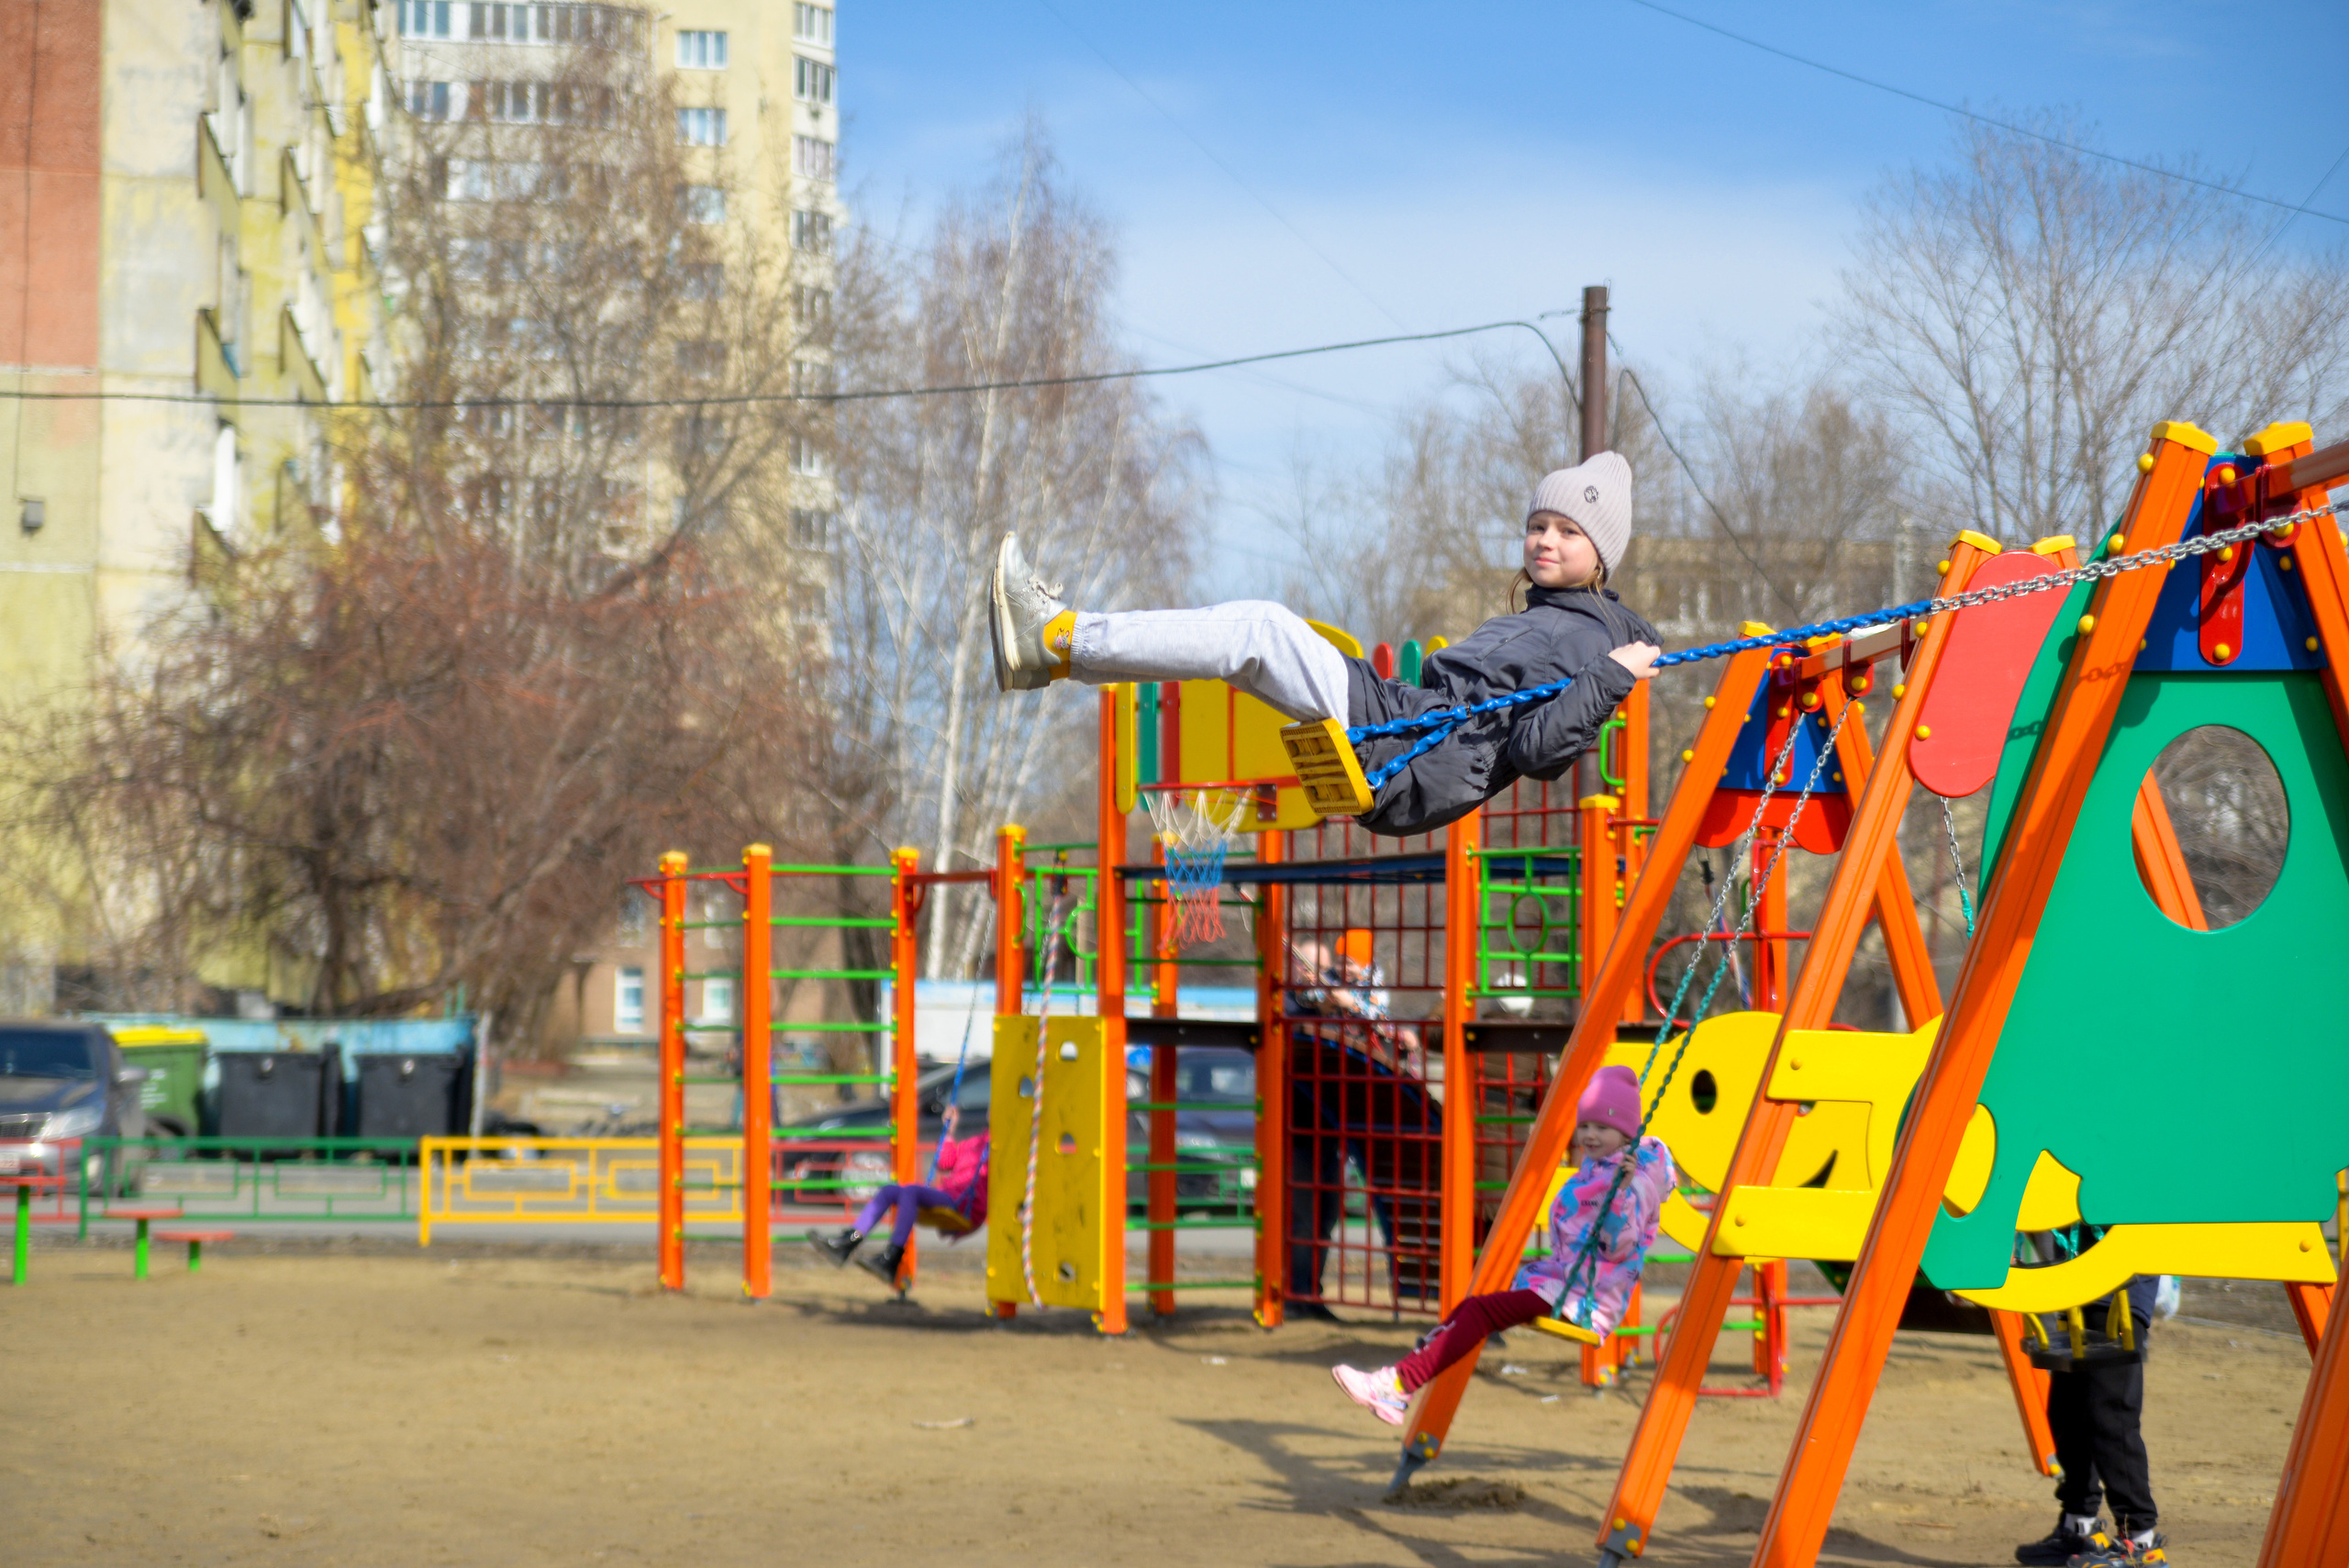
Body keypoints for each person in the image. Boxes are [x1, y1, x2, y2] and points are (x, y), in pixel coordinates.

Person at [987, 453, 1662, 838]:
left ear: (1601, 553)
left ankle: (1058, 638)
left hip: (1410, 746)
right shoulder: (1553, 619)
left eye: (1568, 532)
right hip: (1407, 727)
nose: (1545, 541)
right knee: (1250, 641)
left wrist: (1611, 676)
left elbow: (1539, 751)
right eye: (1538, 525)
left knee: (1261, 631)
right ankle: (1055, 652)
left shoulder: (1591, 637)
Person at [1328, 1064, 1675, 1425]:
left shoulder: (1632, 1183)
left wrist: (1621, 1194)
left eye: (1602, 1127)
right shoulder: (1598, 1169)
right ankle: (1398, 1386)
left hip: (1587, 1299)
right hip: (1569, 1285)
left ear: (1626, 1133)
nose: (1589, 1135)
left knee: (1480, 1312)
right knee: (1472, 1307)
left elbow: (1618, 1248)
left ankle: (1398, 1384)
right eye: (1585, 1125)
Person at [1282, 929, 1439, 1318]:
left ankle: (1308, 1292)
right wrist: (1328, 995)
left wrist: (1396, 1032)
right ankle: (1299, 1294)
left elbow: (1377, 1023)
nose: (1340, 969)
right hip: (1309, 1119)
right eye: (1334, 964)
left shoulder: (1372, 995)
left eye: (1347, 963)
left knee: (1326, 1210)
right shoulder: (1307, 997)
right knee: (1306, 1209)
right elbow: (1308, 1004)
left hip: (1347, 1111)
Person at [2012, 1229, 2168, 1566]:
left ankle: (2141, 1541)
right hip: (2077, 1285)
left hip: (2119, 1291)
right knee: (2067, 1412)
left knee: (2111, 1418)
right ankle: (2079, 1527)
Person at [807, 1105, 989, 1287]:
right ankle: (847, 1243)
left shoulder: (998, 1148)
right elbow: (944, 1163)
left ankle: (891, 1259)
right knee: (889, 1190)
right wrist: (949, 1132)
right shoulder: (975, 1142)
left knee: (911, 1191)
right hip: (949, 1196)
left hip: (967, 1206)